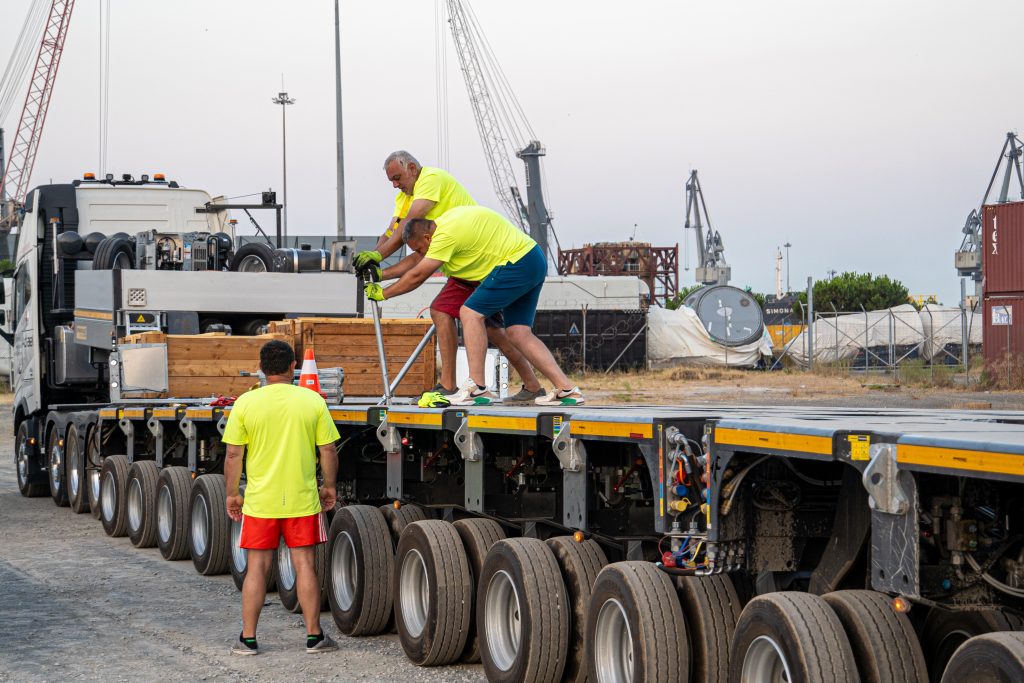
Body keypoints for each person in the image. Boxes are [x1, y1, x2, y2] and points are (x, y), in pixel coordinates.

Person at [353, 151, 545, 404]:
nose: (395, 185)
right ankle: (449, 385)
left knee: (496, 330)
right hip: (460, 265)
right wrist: (376, 265)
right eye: (391, 180)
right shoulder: (405, 199)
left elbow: (415, 248)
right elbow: (396, 234)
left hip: (479, 261)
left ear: (412, 168)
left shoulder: (431, 179)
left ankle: (505, 386)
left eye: (397, 178)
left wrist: (379, 263)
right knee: (443, 310)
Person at [363, 205, 584, 406]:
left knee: (470, 313)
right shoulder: (445, 222)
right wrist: (381, 275)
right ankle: (566, 390)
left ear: (428, 238)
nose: (420, 255)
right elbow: (417, 262)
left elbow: (418, 275)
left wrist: (383, 293)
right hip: (532, 258)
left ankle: (477, 389)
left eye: (420, 249)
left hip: (515, 262)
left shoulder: (444, 236)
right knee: (518, 333)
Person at [222, 340, 341, 655]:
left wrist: (232, 494)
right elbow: (328, 449)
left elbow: (233, 454)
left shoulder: (246, 403)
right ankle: (314, 637)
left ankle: (248, 639)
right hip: (301, 500)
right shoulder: (311, 401)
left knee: (257, 568)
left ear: (261, 368)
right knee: (304, 565)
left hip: (261, 501)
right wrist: (329, 487)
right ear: (293, 367)